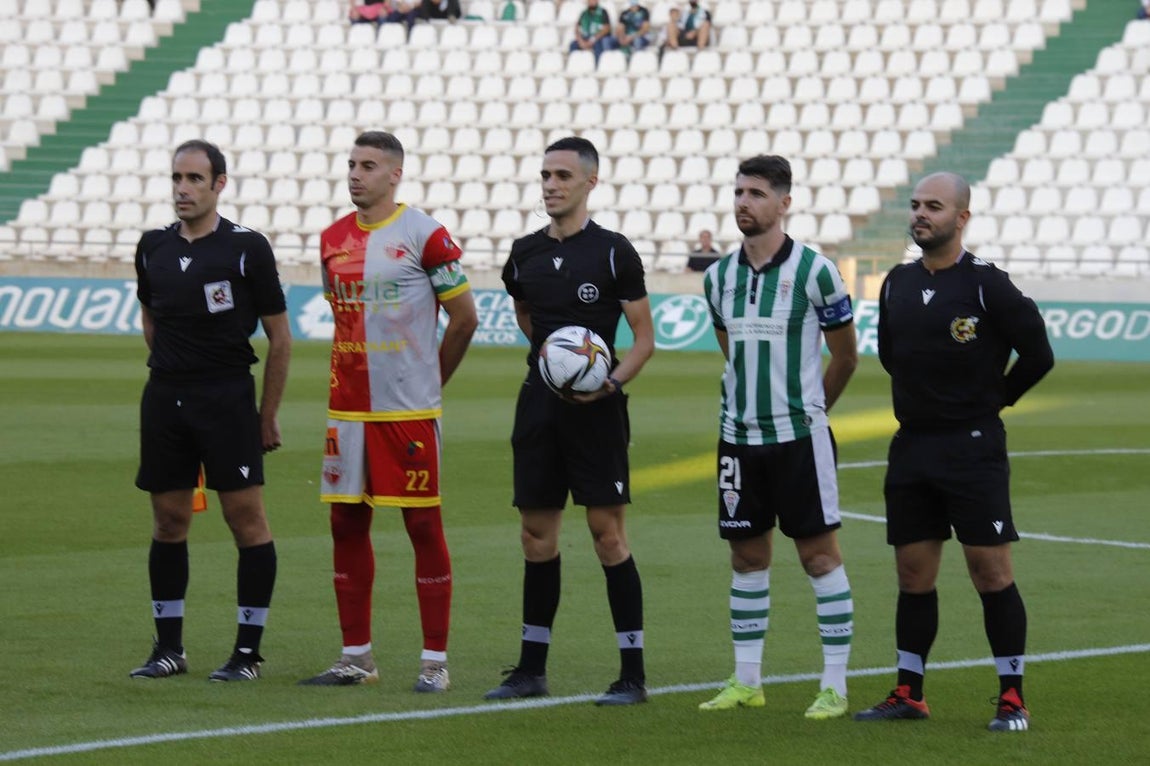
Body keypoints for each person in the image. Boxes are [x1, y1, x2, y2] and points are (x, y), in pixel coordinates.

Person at [853, 172, 1054, 732]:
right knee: (912, 575)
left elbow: (1038, 354)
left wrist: (996, 400)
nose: (921, 214)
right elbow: (891, 355)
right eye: (916, 204)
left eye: (934, 206)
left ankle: (1012, 698)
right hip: (912, 447)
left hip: (971, 449)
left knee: (990, 572)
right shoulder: (896, 282)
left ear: (961, 217)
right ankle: (909, 692)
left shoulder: (988, 284)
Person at [299, 131, 478, 692]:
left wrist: (431, 382)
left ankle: (434, 662)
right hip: (347, 409)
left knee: (422, 525)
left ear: (395, 174)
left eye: (369, 165)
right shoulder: (331, 239)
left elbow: (465, 318)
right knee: (345, 524)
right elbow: (342, 315)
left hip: (407, 411)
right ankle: (356, 657)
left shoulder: (425, 235)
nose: (356, 174)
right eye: (352, 164)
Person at [484, 136, 655, 706]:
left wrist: (608, 382)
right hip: (538, 406)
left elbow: (644, 339)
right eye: (545, 175)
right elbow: (524, 311)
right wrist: (553, 364)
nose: (551, 185)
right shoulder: (524, 253)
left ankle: (632, 675)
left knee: (608, 536)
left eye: (562, 175)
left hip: (598, 413)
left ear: (590, 182)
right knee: (536, 536)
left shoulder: (613, 252)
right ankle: (531, 670)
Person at [698, 155, 859, 719]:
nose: (744, 202)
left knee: (819, 557)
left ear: (784, 203)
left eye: (757, 193)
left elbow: (846, 356)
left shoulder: (817, 272)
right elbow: (730, 348)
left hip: (799, 439)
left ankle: (834, 685)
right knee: (746, 558)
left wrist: (810, 412)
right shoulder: (718, 276)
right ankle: (747, 681)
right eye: (739, 192)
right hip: (737, 440)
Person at [129, 139, 291, 682]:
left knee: (245, 519)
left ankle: (247, 654)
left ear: (219, 184)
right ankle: (168, 650)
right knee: (169, 520)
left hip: (226, 400)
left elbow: (280, 337)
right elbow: (151, 317)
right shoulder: (152, 246)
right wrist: (174, 368)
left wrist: (267, 414)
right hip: (165, 399)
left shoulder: (247, 248)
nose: (183, 188)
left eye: (195, 178)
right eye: (177, 177)